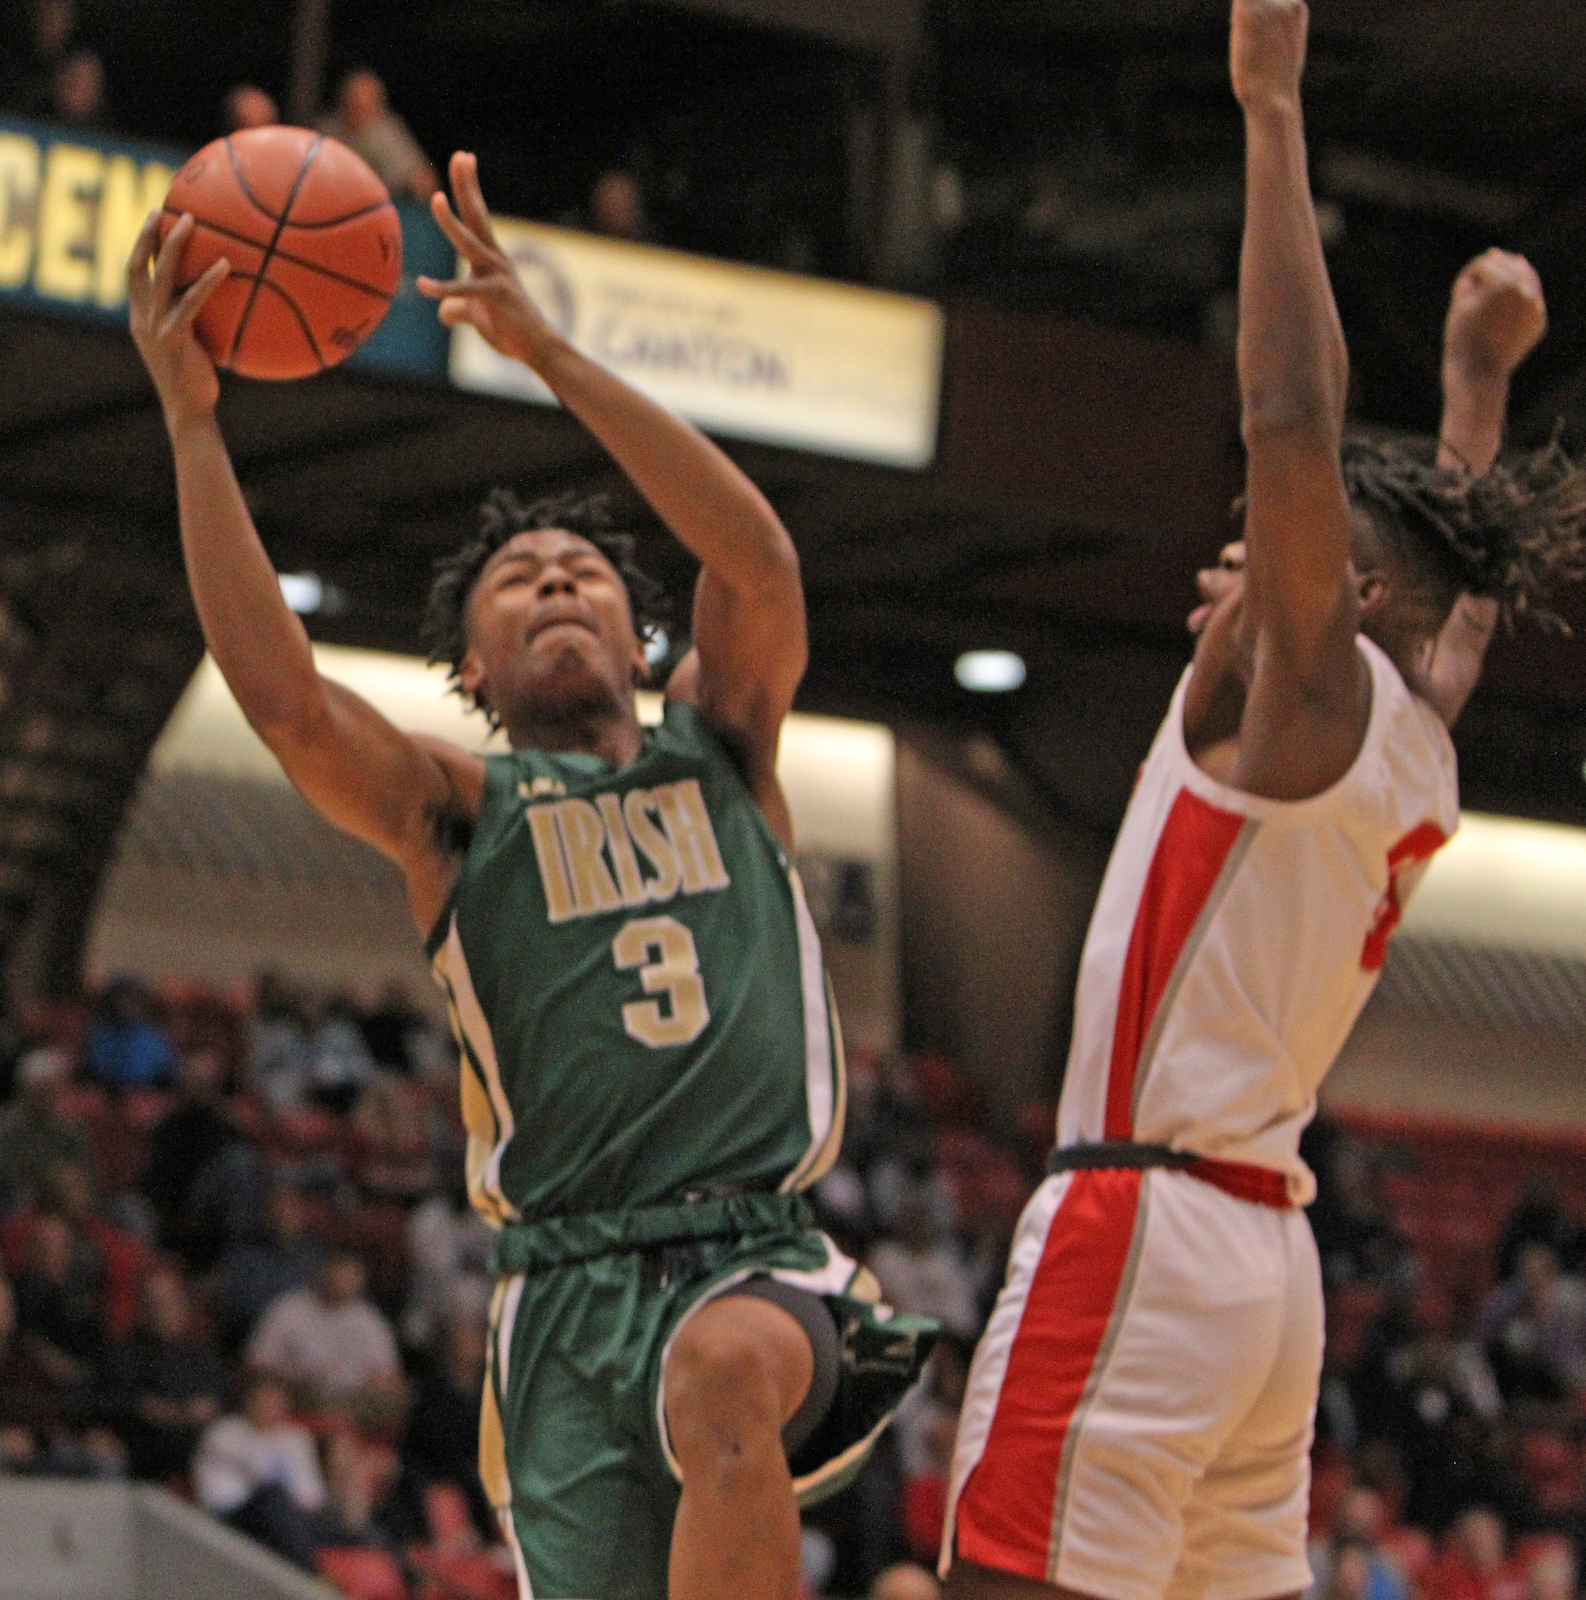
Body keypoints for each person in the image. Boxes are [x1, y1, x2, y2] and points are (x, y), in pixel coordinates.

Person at [128, 146, 933, 1600]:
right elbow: (291, 705)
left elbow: (753, 561)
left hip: (748, 1252)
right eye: (518, 580)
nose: (556, 578)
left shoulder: (726, 744)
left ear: (639, 641)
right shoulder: (457, 812)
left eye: (584, 570)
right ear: (479, 675)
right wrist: (194, 427)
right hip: (558, 1289)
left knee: (719, 1381)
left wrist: (548, 351)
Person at [938, 5, 1585, 1598]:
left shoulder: (1316, 695)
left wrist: (1269, 103)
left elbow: (1290, 414)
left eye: (1279, 539)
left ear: (1339, 589)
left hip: (1140, 1230)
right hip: (1262, 1271)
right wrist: (1474, 379)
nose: (1247, 537)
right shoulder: (1413, 730)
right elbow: (1453, 594)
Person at [104, 1263, 229, 1481]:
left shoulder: (202, 1354)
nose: (164, 1310)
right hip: (148, 1450)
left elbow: (217, 1401)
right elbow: (138, 1405)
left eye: (171, 1302)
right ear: (143, 1309)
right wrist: (184, 1414)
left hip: (202, 1450)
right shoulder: (125, 1351)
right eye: (156, 1303)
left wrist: (195, 1412)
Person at [193, 1371, 329, 1571]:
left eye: (278, 1402)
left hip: (290, 1516)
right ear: (250, 1402)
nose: (272, 1408)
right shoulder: (225, 1433)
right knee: (273, 1495)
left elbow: (310, 1493)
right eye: (267, 1401)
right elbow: (227, 1490)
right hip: (236, 1512)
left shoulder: (296, 1438)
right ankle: (310, 1575)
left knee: (353, 1528)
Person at [245, 1250, 401, 1410]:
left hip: (352, 1406)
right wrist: (290, 1376)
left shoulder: (370, 1321)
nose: (341, 1283)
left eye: (348, 1278)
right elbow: (258, 1362)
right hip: (295, 1397)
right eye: (337, 1276)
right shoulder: (289, 1308)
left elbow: (386, 1374)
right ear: (323, 1273)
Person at [317, 68, 437, 200]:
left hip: (381, 202)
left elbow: (425, 180)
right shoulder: (326, 130)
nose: (359, 110)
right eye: (354, 102)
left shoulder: (388, 132)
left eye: (366, 104)